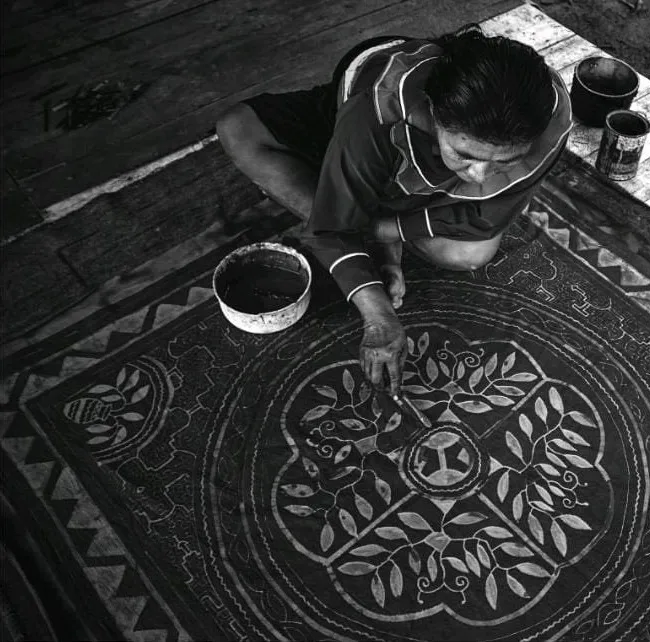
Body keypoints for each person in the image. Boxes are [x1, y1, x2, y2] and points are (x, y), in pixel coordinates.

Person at [216, 27, 572, 395]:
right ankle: (358, 209)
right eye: (464, 154)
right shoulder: (378, 109)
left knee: (469, 254)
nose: (480, 176)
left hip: (400, 183)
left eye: (506, 160)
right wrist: (378, 315)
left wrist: (386, 232)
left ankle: (365, 220)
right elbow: (333, 226)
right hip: (354, 125)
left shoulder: (551, 123)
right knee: (236, 129)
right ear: (432, 112)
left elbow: (487, 217)